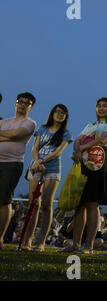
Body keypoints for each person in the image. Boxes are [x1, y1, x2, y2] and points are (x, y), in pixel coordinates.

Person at [61, 97, 107, 254]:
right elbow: (77, 140)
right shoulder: (90, 125)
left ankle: (89, 246)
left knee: (92, 204)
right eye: (98, 106)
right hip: (83, 163)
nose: (101, 108)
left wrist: (81, 149)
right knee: (79, 205)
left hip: (98, 162)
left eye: (105, 106)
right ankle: (76, 244)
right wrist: (77, 150)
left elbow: (102, 139)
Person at [20, 104, 73, 252]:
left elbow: (58, 152)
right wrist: (37, 161)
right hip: (36, 166)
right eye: (57, 111)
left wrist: (43, 161)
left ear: (65, 116)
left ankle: (41, 242)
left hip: (52, 168)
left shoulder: (66, 133)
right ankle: (27, 241)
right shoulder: (42, 129)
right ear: (52, 113)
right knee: (33, 203)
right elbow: (34, 148)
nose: (60, 114)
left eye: (63, 113)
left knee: (46, 204)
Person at [0, 92, 37, 250]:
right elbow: (12, 136)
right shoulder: (5, 122)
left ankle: (0, 238)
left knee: (4, 200)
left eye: (26, 103)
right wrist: (9, 137)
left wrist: (9, 136)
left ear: (31, 106)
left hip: (12, 163)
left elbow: (16, 134)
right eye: (20, 102)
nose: (22, 104)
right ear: (15, 103)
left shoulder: (30, 123)